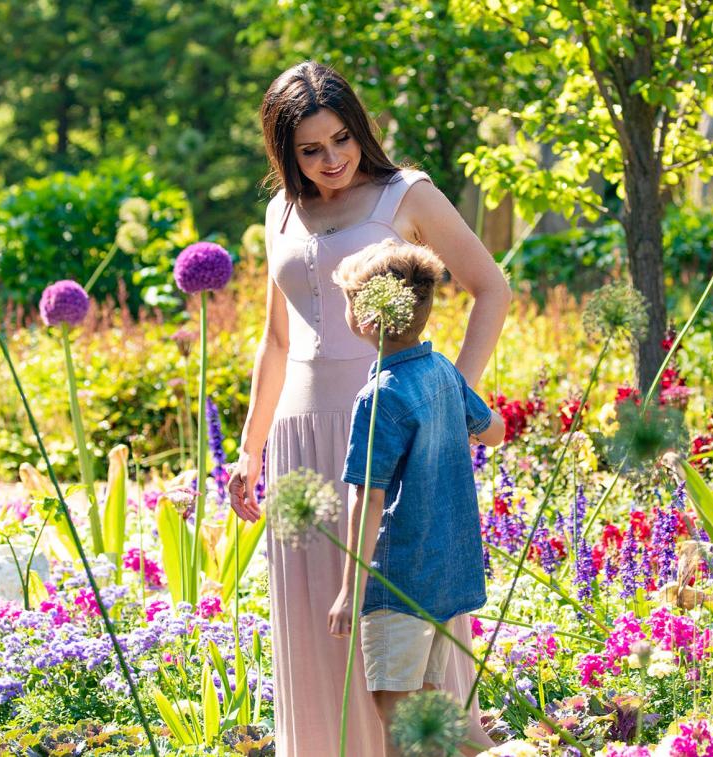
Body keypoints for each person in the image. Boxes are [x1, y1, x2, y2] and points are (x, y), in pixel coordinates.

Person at [227, 60, 511, 756]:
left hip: (393, 431)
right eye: (311, 149)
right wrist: (249, 448)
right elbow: (275, 336)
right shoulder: (280, 211)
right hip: (300, 438)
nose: (331, 160)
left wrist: (448, 401)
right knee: (317, 619)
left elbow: (490, 287)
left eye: (342, 139)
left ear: (360, 129)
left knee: (401, 618)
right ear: (285, 152)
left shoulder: (405, 193)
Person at [326, 240, 504, 756]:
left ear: (366, 315)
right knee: (426, 705)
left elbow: (367, 499)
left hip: (398, 577)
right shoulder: (443, 372)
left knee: (396, 712)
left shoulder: (380, 395)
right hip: (444, 571)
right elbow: (492, 431)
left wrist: (348, 590)